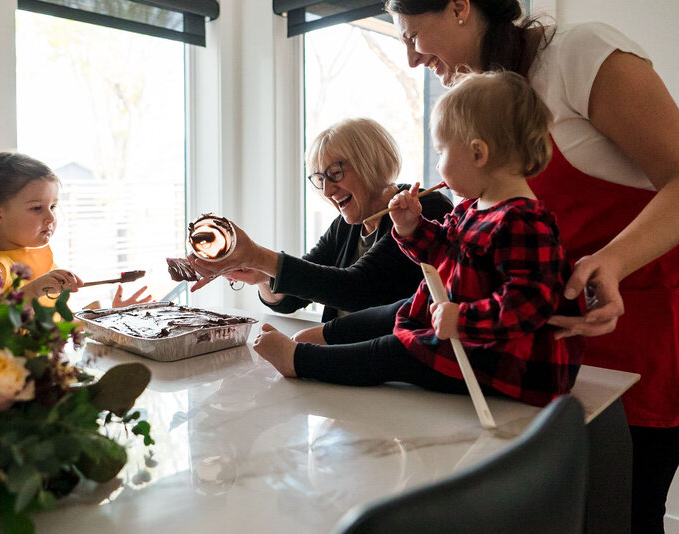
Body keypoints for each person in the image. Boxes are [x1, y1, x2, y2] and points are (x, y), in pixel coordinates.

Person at [384, 1, 679, 531]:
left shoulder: (578, 55)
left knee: (620, 515)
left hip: (637, 340)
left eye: (413, 36)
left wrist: (610, 261)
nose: (410, 59)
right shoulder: (482, 110)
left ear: (458, 8)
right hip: (537, 361)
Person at [254, 71, 583, 409]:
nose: (438, 165)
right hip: (474, 343)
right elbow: (443, 255)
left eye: (441, 152)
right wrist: (413, 228)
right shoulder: (475, 209)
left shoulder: (524, 222)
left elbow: (528, 304)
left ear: (478, 153)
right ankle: (325, 337)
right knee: (396, 316)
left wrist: (462, 318)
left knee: (399, 351)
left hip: (509, 363)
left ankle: (299, 360)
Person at [188, 117, 453, 321]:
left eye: (335, 173)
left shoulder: (423, 208)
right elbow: (292, 298)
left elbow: (358, 288)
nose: (327, 190)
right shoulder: (347, 225)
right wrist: (260, 276)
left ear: (371, 162)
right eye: (319, 179)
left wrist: (258, 257)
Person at [0, 152, 151, 311]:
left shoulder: (44, 262)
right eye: (37, 208)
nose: (51, 218)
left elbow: (59, 327)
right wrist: (33, 290)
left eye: (53, 207)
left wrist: (112, 314)